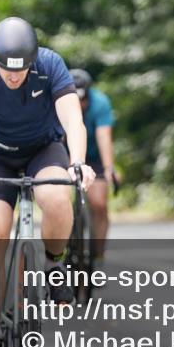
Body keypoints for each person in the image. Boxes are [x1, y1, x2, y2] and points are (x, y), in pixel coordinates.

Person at [0, 16, 94, 320]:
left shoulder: (50, 65)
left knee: (58, 199)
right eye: (7, 67)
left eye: (21, 68)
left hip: (42, 150)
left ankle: (53, 263)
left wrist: (78, 161)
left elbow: (73, 120)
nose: (14, 75)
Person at [69, 68, 121, 270]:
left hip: (94, 156)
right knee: (61, 199)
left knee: (98, 204)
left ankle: (98, 254)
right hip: (67, 152)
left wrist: (109, 168)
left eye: (83, 100)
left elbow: (104, 136)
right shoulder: (59, 98)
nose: (80, 105)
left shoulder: (100, 103)